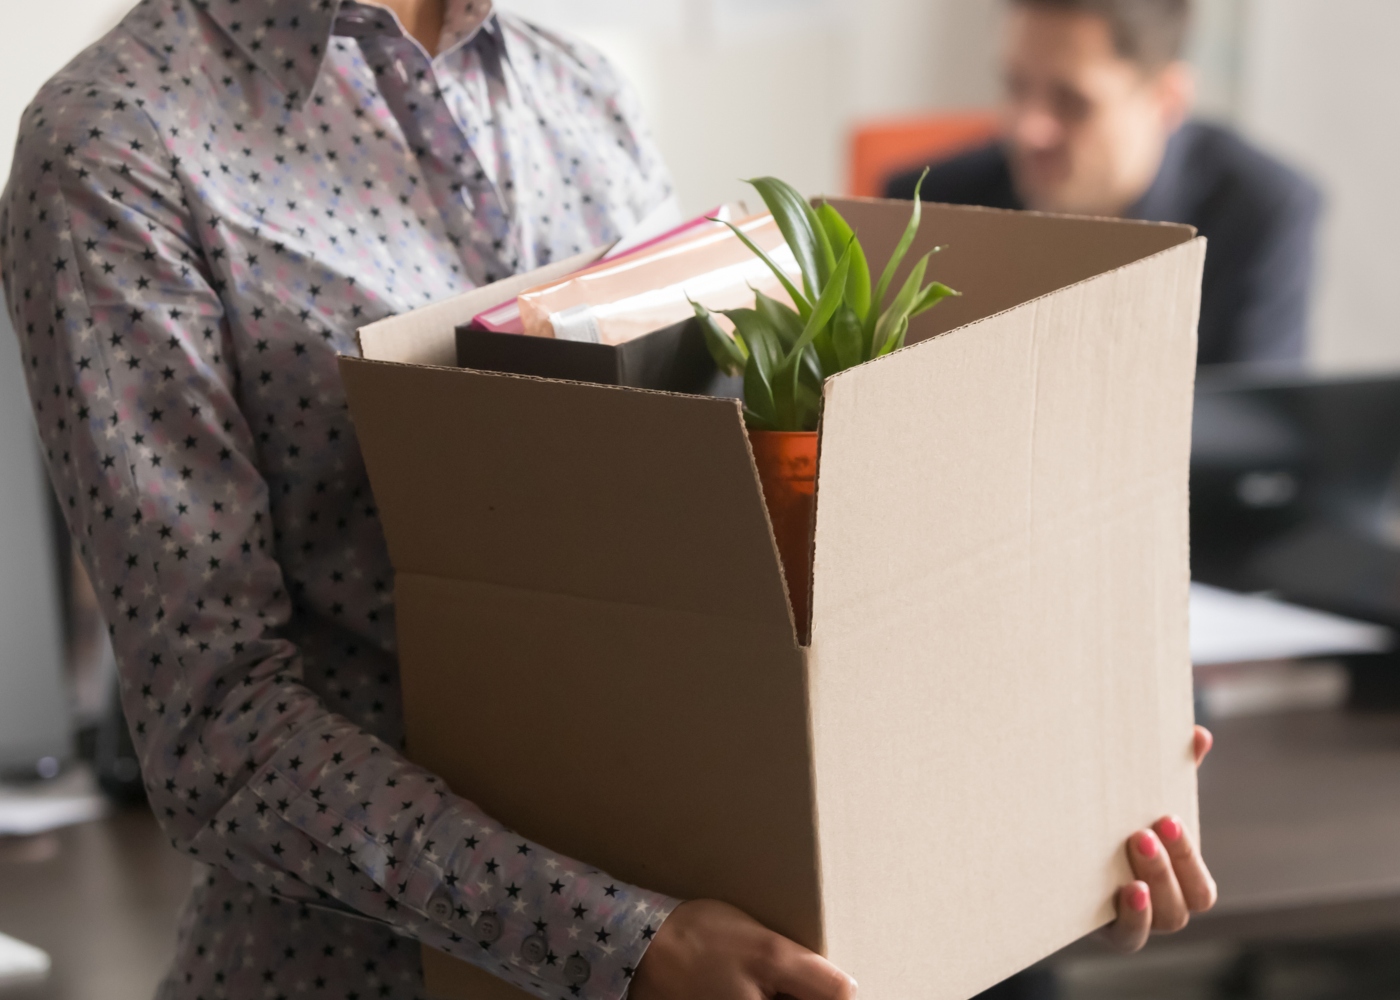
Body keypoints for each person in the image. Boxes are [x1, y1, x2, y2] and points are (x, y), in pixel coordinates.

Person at [1, 1, 1216, 997]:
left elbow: (717, 582)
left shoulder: (580, 92)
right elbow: (216, 734)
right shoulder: (118, 145)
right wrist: (626, 943)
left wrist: (1039, 832)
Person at [886, 0, 1322, 367]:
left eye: (1073, 103)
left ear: (1168, 99)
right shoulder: (928, 206)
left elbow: (1257, 441)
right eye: (1015, 85)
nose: (1027, 130)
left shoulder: (1262, 212)